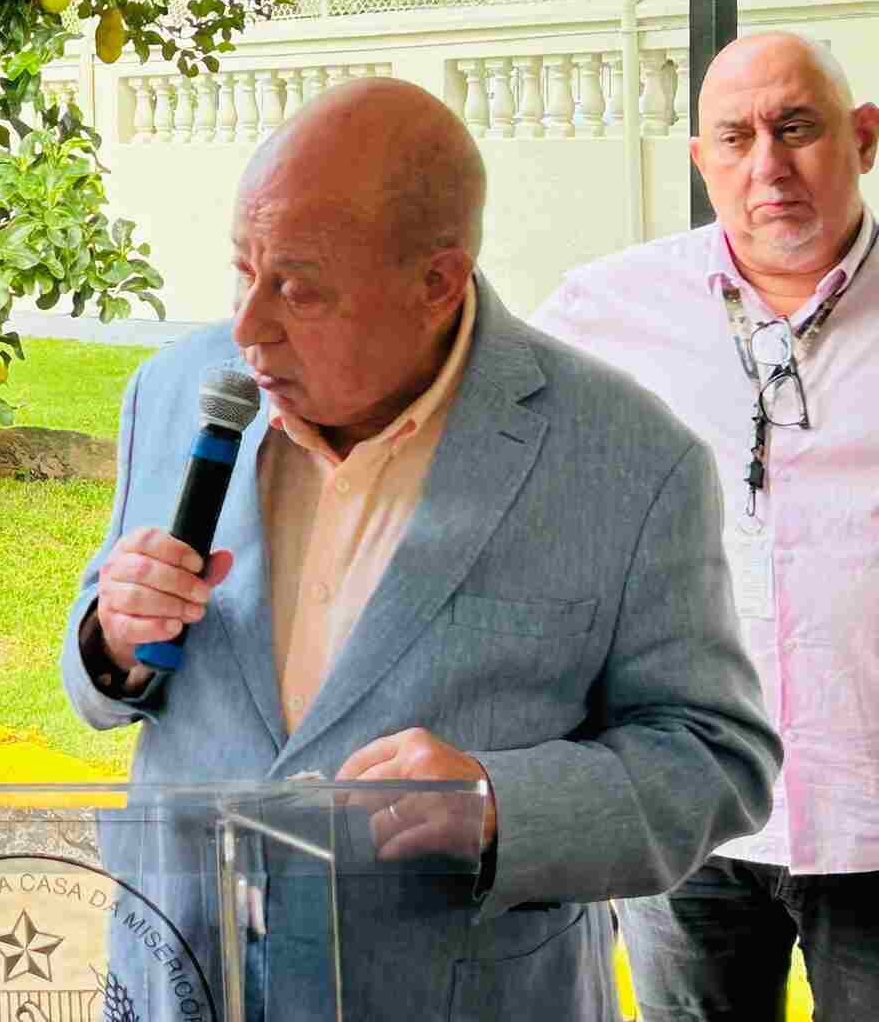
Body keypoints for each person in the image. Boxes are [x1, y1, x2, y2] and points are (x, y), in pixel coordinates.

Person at [61, 77, 780, 1019]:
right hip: (185, 981)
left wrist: (499, 805)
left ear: (436, 283)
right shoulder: (173, 388)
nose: (248, 326)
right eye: (243, 270)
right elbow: (103, 662)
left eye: (298, 288)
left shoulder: (630, 460)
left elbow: (714, 757)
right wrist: (111, 640)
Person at [531, 31, 879, 1021]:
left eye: (796, 128)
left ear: (862, 138)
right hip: (686, 811)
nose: (766, 164)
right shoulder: (602, 312)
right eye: (734, 137)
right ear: (700, 160)